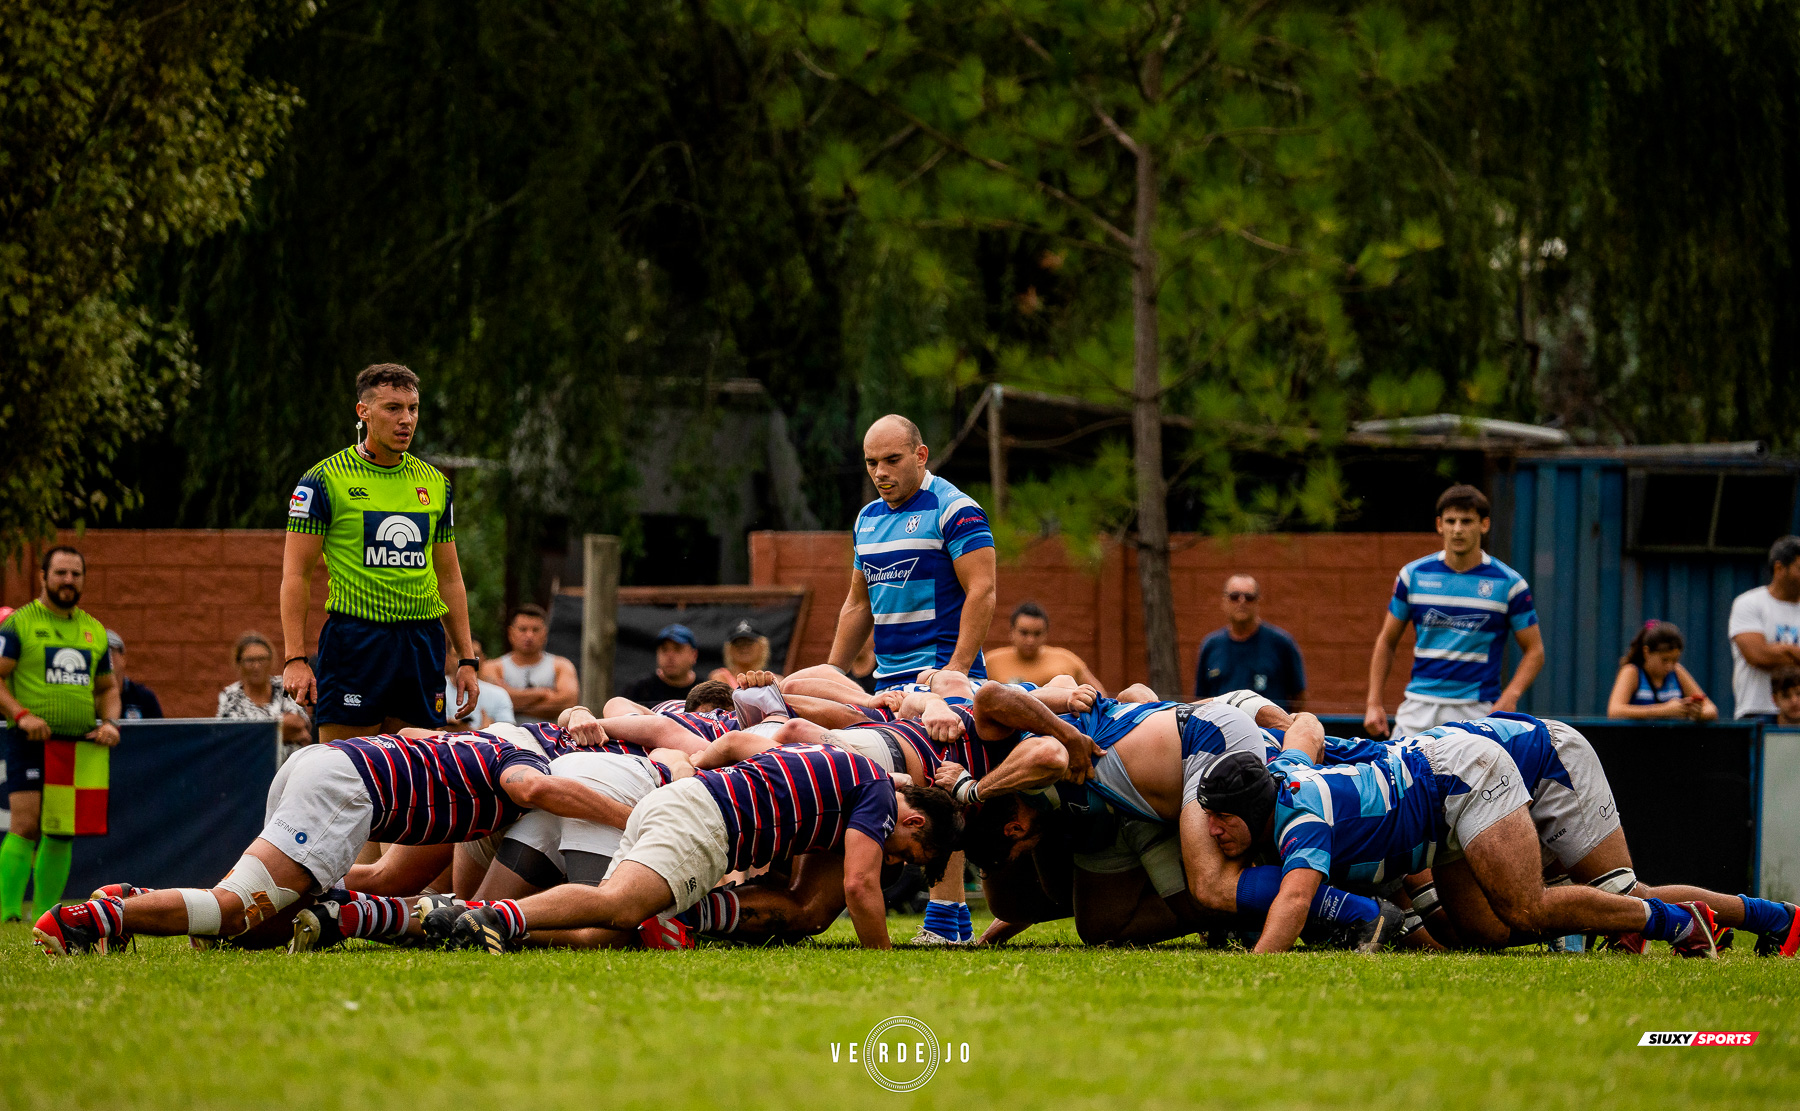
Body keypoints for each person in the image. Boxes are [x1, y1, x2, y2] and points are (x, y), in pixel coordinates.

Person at [33, 728, 637, 956]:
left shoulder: (478, 744)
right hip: (344, 790)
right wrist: (627, 816)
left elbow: (419, 743)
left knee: (261, 931)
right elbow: (535, 787)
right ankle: (95, 918)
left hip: (325, 765)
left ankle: (132, 896)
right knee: (236, 910)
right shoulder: (523, 757)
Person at [1192, 737, 1718, 956]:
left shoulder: (1299, 821)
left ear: (1256, 811)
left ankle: (1675, 921)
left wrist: (1256, 974)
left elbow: (1295, 901)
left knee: (1526, 908)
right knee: (1486, 934)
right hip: (1435, 812)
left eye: (1220, 817)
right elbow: (1306, 725)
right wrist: (1285, 728)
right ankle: (1592, 904)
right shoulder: (1283, 770)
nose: (1210, 831)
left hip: (1461, 776)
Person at [436, 744, 961, 953]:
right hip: (704, 822)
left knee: (605, 933)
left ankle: (457, 919)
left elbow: (783, 793)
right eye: (908, 852)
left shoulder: (851, 775)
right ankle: (491, 919)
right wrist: (883, 959)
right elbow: (859, 884)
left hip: (685, 806)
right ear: (913, 818)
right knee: (619, 905)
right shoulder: (877, 792)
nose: (895, 859)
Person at [824, 413, 997, 945]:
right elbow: (857, 605)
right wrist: (832, 674)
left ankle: (948, 919)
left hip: (940, 677)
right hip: (886, 682)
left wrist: (955, 675)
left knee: (933, 789)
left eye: (892, 460)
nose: (880, 472)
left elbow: (983, 592)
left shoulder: (956, 510)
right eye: (872, 462)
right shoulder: (868, 519)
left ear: (921, 457)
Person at [280, 363, 479, 743]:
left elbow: (450, 577)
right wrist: (294, 658)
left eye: (413, 408)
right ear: (363, 412)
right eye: (393, 408)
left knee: (418, 770)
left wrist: (467, 659)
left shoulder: (435, 483)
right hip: (357, 640)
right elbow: (296, 576)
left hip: (422, 642)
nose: (406, 419)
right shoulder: (323, 480)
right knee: (345, 767)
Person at [0, 546, 122, 922]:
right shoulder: (18, 625)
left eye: (76, 574)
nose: (68, 580)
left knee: (62, 830)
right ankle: (6, 915)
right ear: (43, 577)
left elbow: (107, 689)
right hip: (30, 740)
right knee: (25, 823)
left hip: (77, 745)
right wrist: (21, 715)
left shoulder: (94, 630)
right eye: (61, 573)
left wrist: (111, 724)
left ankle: (45, 915)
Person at [1365, 484, 1544, 738]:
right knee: (1401, 777)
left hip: (1477, 713)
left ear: (1484, 524)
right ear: (1439, 525)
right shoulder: (1412, 576)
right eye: (1451, 521)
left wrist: (1510, 698)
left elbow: (1535, 650)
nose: (1458, 529)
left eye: (1467, 521)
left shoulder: (1510, 584)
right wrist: (1374, 703)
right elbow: (1387, 640)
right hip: (1418, 709)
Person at [1194, 576, 1306, 709]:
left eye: (1249, 597)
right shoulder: (1211, 646)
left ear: (1258, 601)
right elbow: (1201, 698)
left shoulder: (1282, 644)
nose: (1242, 602)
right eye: (1234, 596)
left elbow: (1298, 698)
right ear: (1224, 601)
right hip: (1220, 729)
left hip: (1267, 729)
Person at [1728, 536, 1800, 721]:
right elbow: (1758, 656)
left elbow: (1767, 654)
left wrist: (1780, 649)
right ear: (1779, 568)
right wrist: (1793, 652)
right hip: (1758, 710)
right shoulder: (1749, 603)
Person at [217, 632, 312, 759]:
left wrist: (253, 735)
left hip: (290, 768)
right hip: (250, 768)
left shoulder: (285, 686)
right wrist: (283, 731)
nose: (256, 666)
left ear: (271, 660)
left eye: (262, 659)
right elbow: (228, 738)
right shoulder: (230, 695)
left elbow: (299, 723)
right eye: (250, 660)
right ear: (239, 662)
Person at [481, 604, 577, 724]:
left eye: (535, 630)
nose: (529, 635)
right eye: (522, 629)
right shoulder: (492, 667)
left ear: (545, 634)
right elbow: (489, 702)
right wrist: (541, 693)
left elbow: (566, 703)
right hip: (505, 739)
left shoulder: (562, 666)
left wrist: (509, 703)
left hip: (549, 739)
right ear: (511, 633)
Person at [1605, 621, 1717, 721]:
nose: (1670, 666)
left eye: (1675, 660)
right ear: (1647, 652)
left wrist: (1698, 714)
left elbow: (1711, 709)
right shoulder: (1631, 672)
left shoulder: (1678, 672)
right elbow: (1614, 711)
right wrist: (1662, 710)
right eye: (1664, 660)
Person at [984, 602, 1104, 692]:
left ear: (1046, 634)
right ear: (1012, 632)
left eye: (1037, 634)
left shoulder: (1067, 660)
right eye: (1024, 633)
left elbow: (1099, 694)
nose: (1030, 640)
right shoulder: (991, 662)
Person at [619, 624, 702, 706]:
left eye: (677, 649)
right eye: (664, 649)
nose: (670, 656)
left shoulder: (704, 693)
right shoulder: (637, 691)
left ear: (694, 655)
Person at [449, 639, 514, 730]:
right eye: (459, 655)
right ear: (447, 658)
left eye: (474, 655)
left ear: (483, 659)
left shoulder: (499, 695)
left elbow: (509, 734)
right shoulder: (431, 691)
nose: (466, 662)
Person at [104, 630, 162, 721]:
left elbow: (160, 733)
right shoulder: (87, 698)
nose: (105, 659)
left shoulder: (144, 698)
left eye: (110, 652)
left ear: (123, 658)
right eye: (100, 654)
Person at [707, 620, 779, 688]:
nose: (744, 648)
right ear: (729, 648)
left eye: (749, 642)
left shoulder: (776, 680)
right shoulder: (719, 678)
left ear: (762, 646)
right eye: (737, 643)